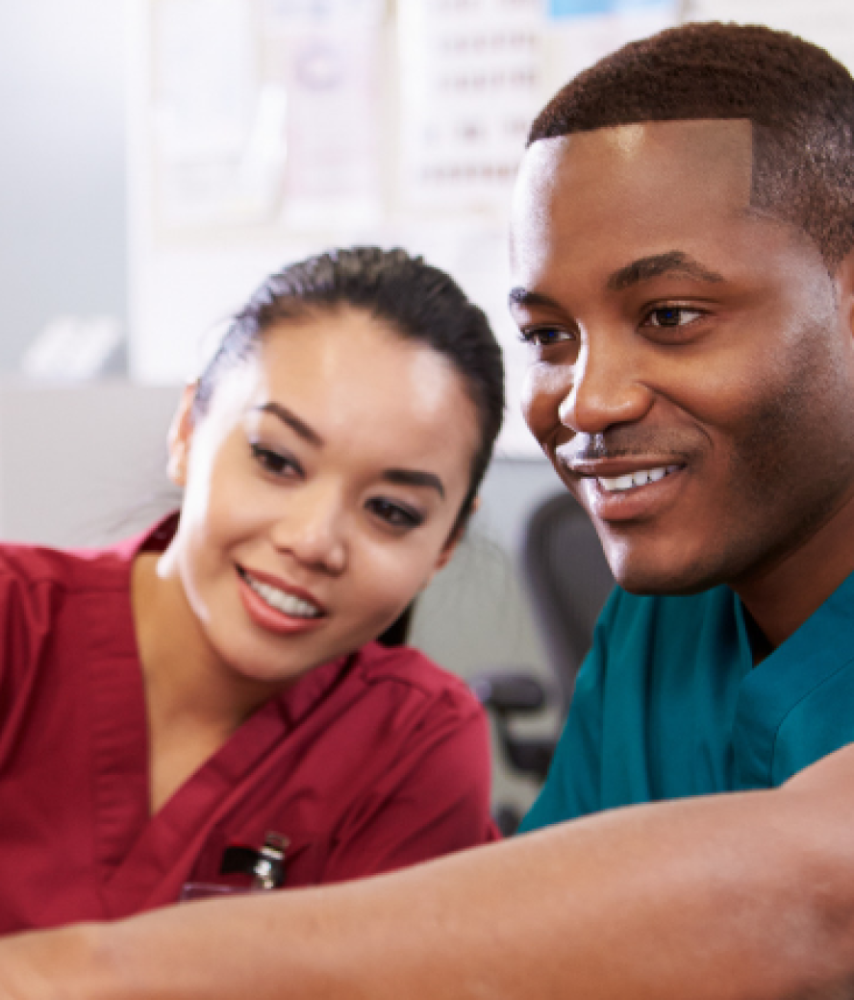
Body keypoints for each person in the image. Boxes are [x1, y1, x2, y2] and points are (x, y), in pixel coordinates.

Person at [5, 21, 854, 999]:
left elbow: (811, 889)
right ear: (189, 429)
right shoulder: (665, 620)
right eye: (546, 332)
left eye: (668, 316)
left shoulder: (405, 738)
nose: (585, 399)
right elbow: (552, 939)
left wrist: (72, 970)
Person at [0, 246, 504, 932]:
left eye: (391, 511)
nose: (313, 540)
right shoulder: (13, 625)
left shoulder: (415, 746)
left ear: (444, 543)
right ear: (186, 431)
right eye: (275, 460)